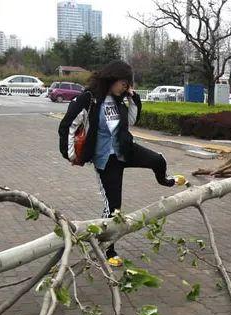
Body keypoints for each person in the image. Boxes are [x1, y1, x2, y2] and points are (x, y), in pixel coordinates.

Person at [58, 60, 182, 266]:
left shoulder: (119, 100)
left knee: (158, 160)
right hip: (106, 159)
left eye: (127, 85)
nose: (125, 88)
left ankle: (165, 181)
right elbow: (68, 126)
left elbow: (130, 122)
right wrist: (71, 154)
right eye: (123, 84)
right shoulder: (89, 99)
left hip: (126, 149)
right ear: (112, 79)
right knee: (113, 208)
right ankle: (108, 250)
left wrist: (133, 99)